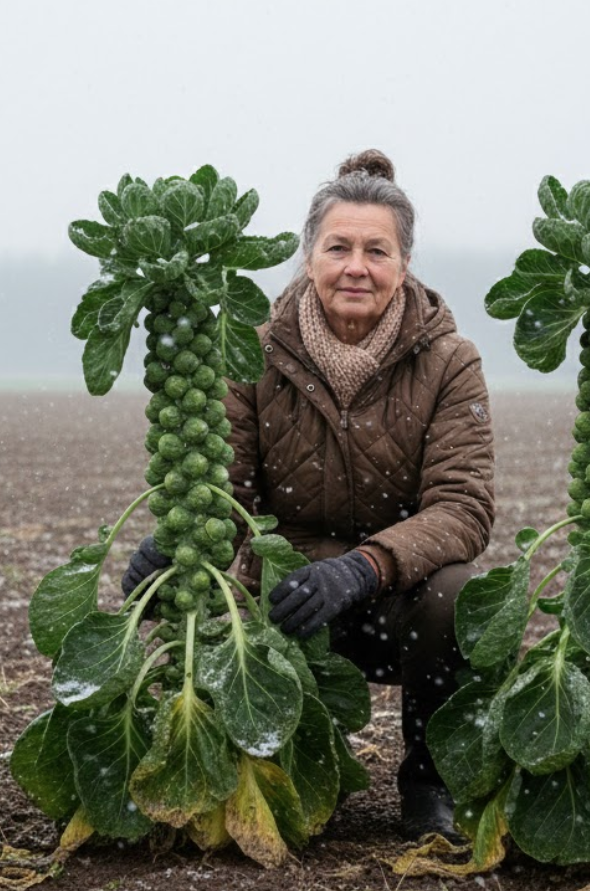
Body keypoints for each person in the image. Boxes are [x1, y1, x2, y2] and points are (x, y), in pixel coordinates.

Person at [124, 149, 495, 841]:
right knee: (202, 598)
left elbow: (463, 507)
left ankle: (431, 783)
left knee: (459, 594)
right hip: (286, 595)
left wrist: (364, 567)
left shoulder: (450, 362)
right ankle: (275, 760)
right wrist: (176, 545)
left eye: (377, 251)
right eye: (339, 248)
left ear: (404, 265)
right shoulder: (250, 351)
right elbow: (225, 490)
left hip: (393, 595)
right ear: (308, 257)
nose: (357, 266)